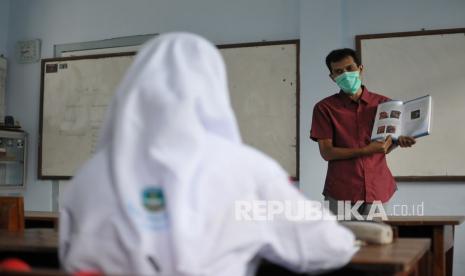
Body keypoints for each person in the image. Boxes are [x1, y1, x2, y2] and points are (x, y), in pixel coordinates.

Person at [59, 33, 357, 275]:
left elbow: (70, 255)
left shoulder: (89, 177)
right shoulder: (247, 170)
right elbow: (329, 248)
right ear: (213, 88)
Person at [310, 48, 416, 217]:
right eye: (338, 71)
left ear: (360, 68)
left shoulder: (385, 104)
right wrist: (366, 150)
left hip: (378, 188)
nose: (345, 74)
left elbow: (385, 147)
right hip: (341, 191)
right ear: (332, 77)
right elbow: (327, 152)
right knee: (344, 243)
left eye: (350, 68)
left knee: (378, 242)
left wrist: (398, 141)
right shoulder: (324, 108)